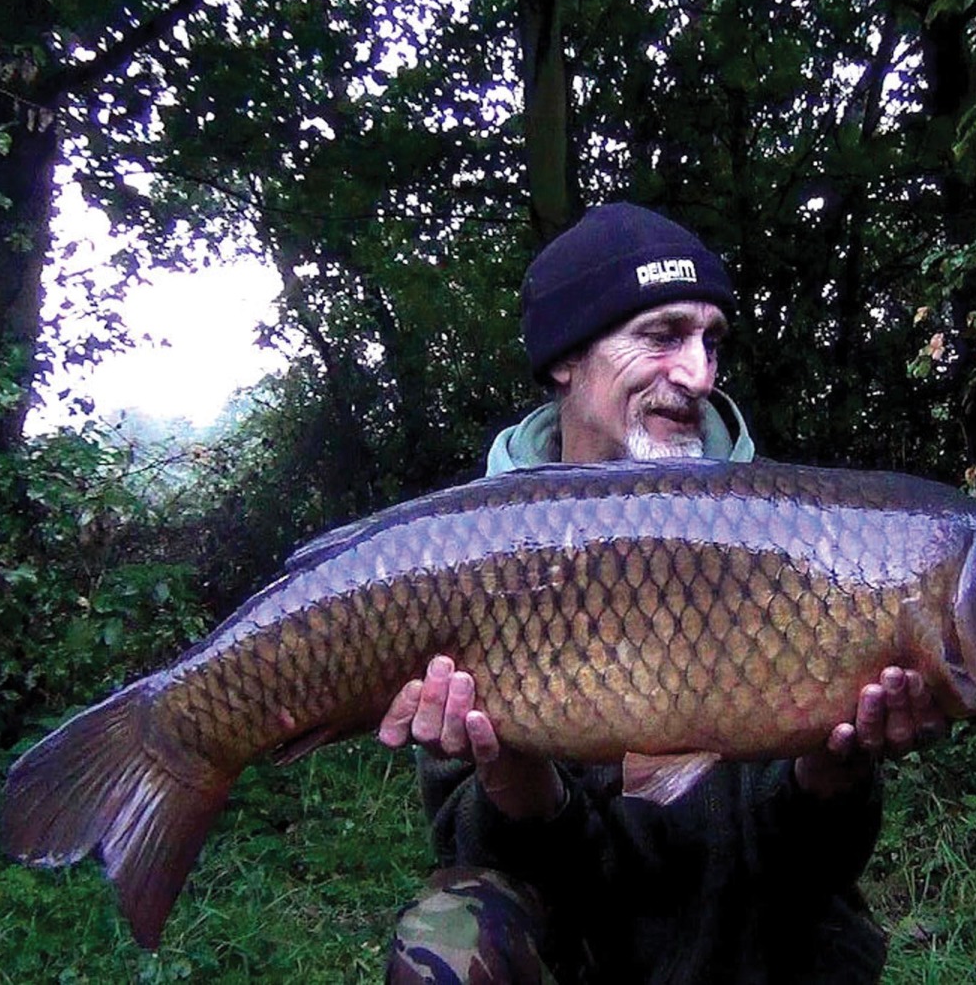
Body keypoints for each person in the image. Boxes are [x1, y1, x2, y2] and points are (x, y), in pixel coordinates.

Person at [379, 203, 940, 984]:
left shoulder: (794, 539)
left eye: (712, 342)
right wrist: (513, 772)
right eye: (664, 336)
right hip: (578, 935)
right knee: (449, 933)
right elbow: (485, 859)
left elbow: (816, 866)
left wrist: (834, 772)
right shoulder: (459, 556)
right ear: (566, 358)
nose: (699, 373)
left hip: (756, 926)